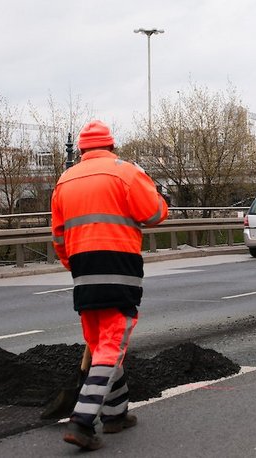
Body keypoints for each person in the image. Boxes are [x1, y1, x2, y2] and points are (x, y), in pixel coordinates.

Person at [51, 120, 169, 450]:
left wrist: (73, 263)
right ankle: (82, 421)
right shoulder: (125, 172)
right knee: (112, 343)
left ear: (83, 150)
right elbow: (154, 213)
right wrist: (162, 199)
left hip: (82, 268)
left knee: (99, 338)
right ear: (111, 146)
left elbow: (58, 235)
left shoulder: (65, 180)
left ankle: (115, 415)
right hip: (118, 263)